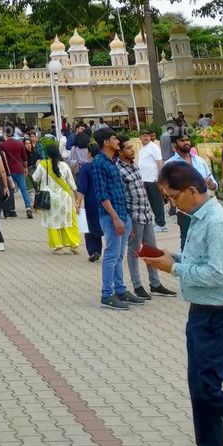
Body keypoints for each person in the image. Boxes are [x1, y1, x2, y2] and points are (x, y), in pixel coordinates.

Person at [147, 162, 223, 446]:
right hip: (202, 314)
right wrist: (171, 258)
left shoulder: (216, 222)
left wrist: (173, 270)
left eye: (173, 196)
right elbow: (200, 262)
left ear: (192, 191)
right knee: (200, 388)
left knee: (208, 388)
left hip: (222, 316)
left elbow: (218, 274)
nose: (172, 203)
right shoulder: (199, 219)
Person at [89, 128, 141, 310]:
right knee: (111, 255)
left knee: (119, 255)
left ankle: (120, 289)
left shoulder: (112, 162)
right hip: (111, 216)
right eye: (114, 139)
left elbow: (120, 192)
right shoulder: (98, 163)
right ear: (106, 142)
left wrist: (125, 219)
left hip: (122, 214)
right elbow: (102, 195)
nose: (117, 141)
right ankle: (106, 294)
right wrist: (115, 218)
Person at [116, 139, 174, 300]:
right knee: (134, 250)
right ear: (120, 152)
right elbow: (121, 196)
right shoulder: (119, 170)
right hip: (134, 215)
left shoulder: (134, 165)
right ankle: (137, 285)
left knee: (151, 249)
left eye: (132, 147)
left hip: (146, 213)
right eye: (128, 148)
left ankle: (155, 283)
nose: (132, 150)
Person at [164, 134, 217, 248]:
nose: (186, 142)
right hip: (186, 211)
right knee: (187, 242)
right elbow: (167, 188)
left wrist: (210, 184)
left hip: (206, 209)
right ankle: (184, 265)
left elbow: (213, 184)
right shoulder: (170, 165)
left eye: (187, 139)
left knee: (208, 241)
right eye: (182, 140)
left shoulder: (200, 161)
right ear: (174, 144)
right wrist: (172, 199)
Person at [32, 141, 81, 254]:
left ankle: (58, 246)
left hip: (49, 199)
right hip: (65, 198)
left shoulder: (43, 165)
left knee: (52, 222)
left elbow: (35, 178)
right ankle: (73, 244)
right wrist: (76, 196)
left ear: (47, 154)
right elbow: (72, 183)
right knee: (68, 221)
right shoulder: (64, 165)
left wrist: (37, 165)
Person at [137, 128, 167, 231]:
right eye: (143, 136)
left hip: (153, 179)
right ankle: (158, 222)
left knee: (157, 201)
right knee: (151, 202)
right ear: (140, 137)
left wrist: (160, 178)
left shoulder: (154, 147)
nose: (145, 137)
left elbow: (159, 162)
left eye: (147, 136)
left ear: (150, 137)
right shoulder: (142, 149)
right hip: (145, 179)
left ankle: (161, 224)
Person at [0, 129, 33, 219]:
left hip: (8, 171)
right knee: (24, 189)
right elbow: (24, 158)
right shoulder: (20, 143)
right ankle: (28, 208)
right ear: (13, 134)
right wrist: (25, 168)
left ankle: (12, 209)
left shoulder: (3, 145)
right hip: (19, 169)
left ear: (6, 134)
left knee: (10, 190)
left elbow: (2, 158)